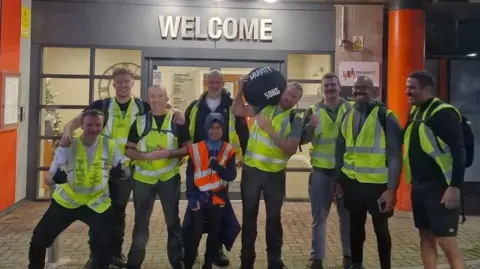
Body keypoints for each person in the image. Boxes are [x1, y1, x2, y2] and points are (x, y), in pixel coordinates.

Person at [60, 67, 184, 268]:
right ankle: (97, 256)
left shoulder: (141, 106)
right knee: (98, 211)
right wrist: (67, 132)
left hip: (126, 170)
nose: (123, 85)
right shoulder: (102, 105)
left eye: (127, 81)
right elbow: (77, 121)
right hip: (101, 168)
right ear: (113, 83)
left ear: (132, 82)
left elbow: (164, 106)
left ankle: (115, 254)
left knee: (118, 212)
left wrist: (178, 112)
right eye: (119, 82)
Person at [28, 109, 125, 269]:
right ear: (82, 125)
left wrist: (120, 172)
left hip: (96, 203)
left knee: (104, 244)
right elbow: (48, 178)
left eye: (97, 125)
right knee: (39, 240)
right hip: (68, 202)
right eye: (89, 125)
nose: (93, 129)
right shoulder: (68, 145)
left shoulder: (109, 144)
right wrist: (56, 178)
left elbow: (124, 170)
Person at [232, 79, 304, 269]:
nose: (289, 97)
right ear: (281, 91)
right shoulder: (264, 106)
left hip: (275, 176)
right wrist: (240, 90)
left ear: (297, 101)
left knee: (273, 219)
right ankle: (246, 262)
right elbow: (237, 110)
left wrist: (269, 129)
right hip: (252, 172)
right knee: (249, 218)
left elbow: (290, 148)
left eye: (294, 96)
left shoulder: (295, 119)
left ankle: (274, 261)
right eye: (287, 93)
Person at [335, 76, 402, 269]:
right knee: (355, 228)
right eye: (356, 88)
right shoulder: (347, 115)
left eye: (364, 87)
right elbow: (341, 148)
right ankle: (357, 264)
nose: (359, 91)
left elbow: (395, 155)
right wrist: (339, 180)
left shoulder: (385, 116)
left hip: (378, 186)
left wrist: (391, 189)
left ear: (373, 90)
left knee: (381, 230)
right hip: (352, 184)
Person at [184, 69, 249, 267]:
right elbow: (185, 129)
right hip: (198, 164)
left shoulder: (231, 105)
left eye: (217, 82)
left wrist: (244, 154)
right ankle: (191, 250)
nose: (214, 85)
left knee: (218, 211)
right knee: (195, 211)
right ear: (205, 82)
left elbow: (242, 129)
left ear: (222, 83)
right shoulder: (195, 106)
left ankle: (216, 250)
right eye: (210, 82)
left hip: (222, 163)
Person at [404, 71, 465, 269]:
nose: (407, 92)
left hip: (440, 188)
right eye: (407, 87)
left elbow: (458, 152)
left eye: (412, 87)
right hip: (420, 187)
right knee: (426, 237)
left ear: (427, 88)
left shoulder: (443, 113)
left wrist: (454, 187)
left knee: (446, 241)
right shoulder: (416, 112)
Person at [124, 85, 189, 269]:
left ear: (166, 98)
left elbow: (188, 149)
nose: (155, 100)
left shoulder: (177, 121)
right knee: (140, 224)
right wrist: (145, 156)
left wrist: (169, 153)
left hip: (169, 179)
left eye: (159, 96)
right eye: (152, 96)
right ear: (148, 99)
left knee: (172, 222)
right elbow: (128, 150)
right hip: (143, 180)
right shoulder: (139, 122)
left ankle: (177, 261)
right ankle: (134, 263)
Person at [301, 73, 352, 269]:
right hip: (321, 172)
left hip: (346, 173)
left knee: (346, 218)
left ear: (339, 87)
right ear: (322, 89)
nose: (330, 88)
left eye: (333, 85)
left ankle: (349, 257)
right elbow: (303, 140)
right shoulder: (313, 110)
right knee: (319, 218)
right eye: (326, 85)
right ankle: (317, 259)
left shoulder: (349, 108)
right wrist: (310, 127)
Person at [183, 113, 238, 269]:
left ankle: (207, 265)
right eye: (212, 127)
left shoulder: (228, 150)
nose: (215, 130)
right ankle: (188, 263)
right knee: (194, 234)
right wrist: (192, 199)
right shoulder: (195, 149)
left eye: (218, 127)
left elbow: (231, 175)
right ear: (207, 128)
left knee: (214, 236)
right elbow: (189, 177)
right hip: (199, 199)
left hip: (218, 200)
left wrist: (217, 167)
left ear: (222, 129)